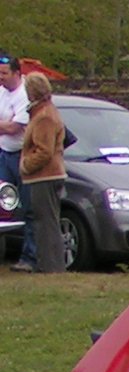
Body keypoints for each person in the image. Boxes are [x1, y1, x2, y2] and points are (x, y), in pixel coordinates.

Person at [19, 71, 64, 273]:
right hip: (47, 176)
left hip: (45, 176)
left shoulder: (44, 116)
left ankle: (50, 267)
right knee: (47, 222)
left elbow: (44, 151)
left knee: (46, 224)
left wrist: (26, 165)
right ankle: (50, 265)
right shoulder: (44, 112)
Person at [0, 52, 35, 271]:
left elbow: (16, 128)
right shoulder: (1, 92)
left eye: (4, 73)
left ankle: (29, 257)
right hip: (3, 154)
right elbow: (8, 126)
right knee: (4, 207)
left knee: (27, 207)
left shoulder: (24, 95)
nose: (0, 77)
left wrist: (8, 125)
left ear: (16, 73)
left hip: (22, 156)